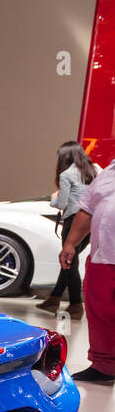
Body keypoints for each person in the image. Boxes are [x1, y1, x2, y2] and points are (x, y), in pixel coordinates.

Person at [60, 162, 115, 383]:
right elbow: (87, 209)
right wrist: (71, 243)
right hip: (102, 256)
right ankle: (105, 366)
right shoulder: (108, 172)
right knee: (100, 310)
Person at [38, 141, 102, 318]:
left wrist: (53, 199)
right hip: (93, 220)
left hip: (74, 220)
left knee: (69, 261)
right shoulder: (96, 169)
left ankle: (75, 304)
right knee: (68, 262)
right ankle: (54, 299)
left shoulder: (66, 174)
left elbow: (62, 203)